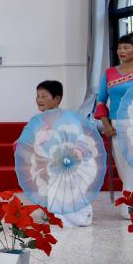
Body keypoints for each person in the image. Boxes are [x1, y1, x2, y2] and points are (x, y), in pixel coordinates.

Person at [94, 32, 133, 218]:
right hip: (116, 125)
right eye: (120, 47)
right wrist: (105, 124)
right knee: (122, 166)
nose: (122, 51)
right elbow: (101, 102)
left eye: (127, 47)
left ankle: (132, 207)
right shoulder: (109, 74)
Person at [31, 80, 93, 228]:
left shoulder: (67, 117)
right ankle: (54, 213)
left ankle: (75, 217)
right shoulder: (43, 119)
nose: (39, 99)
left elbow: (77, 140)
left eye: (44, 96)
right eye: (38, 96)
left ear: (57, 99)